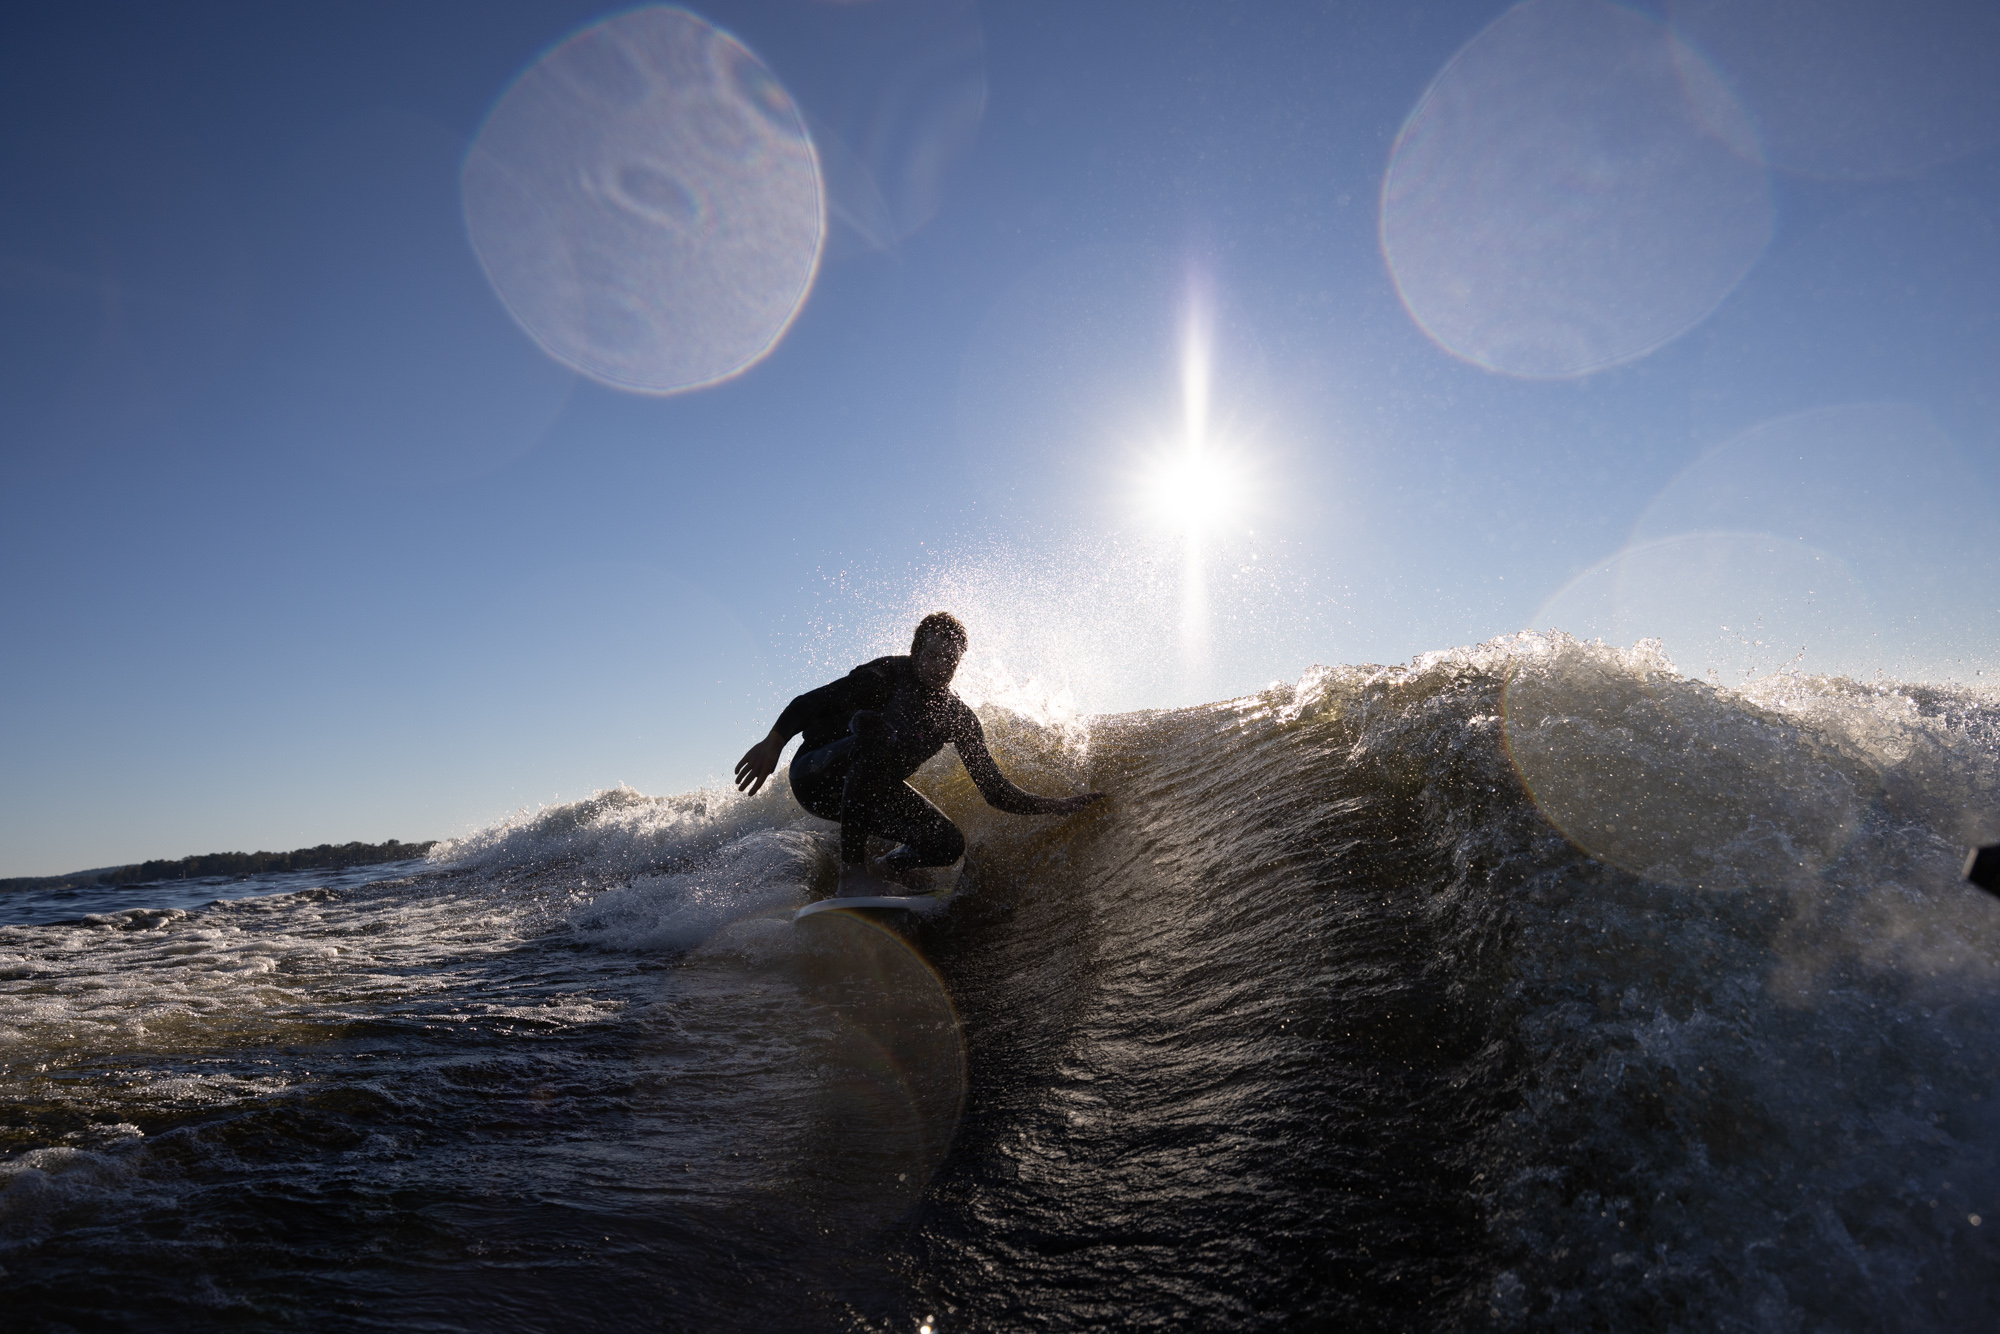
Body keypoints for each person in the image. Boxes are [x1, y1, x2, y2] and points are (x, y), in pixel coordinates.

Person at [734, 612, 1105, 897]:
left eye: (951, 660)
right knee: (875, 731)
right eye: (932, 655)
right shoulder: (887, 676)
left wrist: (1057, 806)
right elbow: (810, 703)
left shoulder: (956, 717)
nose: (941, 667)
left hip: (868, 792)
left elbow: (994, 790)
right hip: (816, 775)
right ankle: (852, 874)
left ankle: (888, 866)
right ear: (916, 652)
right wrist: (774, 744)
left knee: (948, 844)